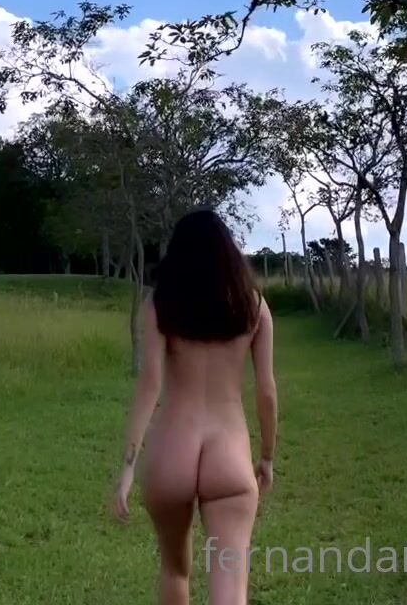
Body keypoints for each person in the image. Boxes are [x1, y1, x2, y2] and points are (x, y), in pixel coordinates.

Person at [112, 209, 277, 605]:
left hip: (172, 451)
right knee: (230, 586)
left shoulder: (160, 304)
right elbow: (266, 391)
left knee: (175, 572)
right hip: (229, 456)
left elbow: (150, 384)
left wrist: (128, 466)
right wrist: (267, 457)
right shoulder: (254, 306)